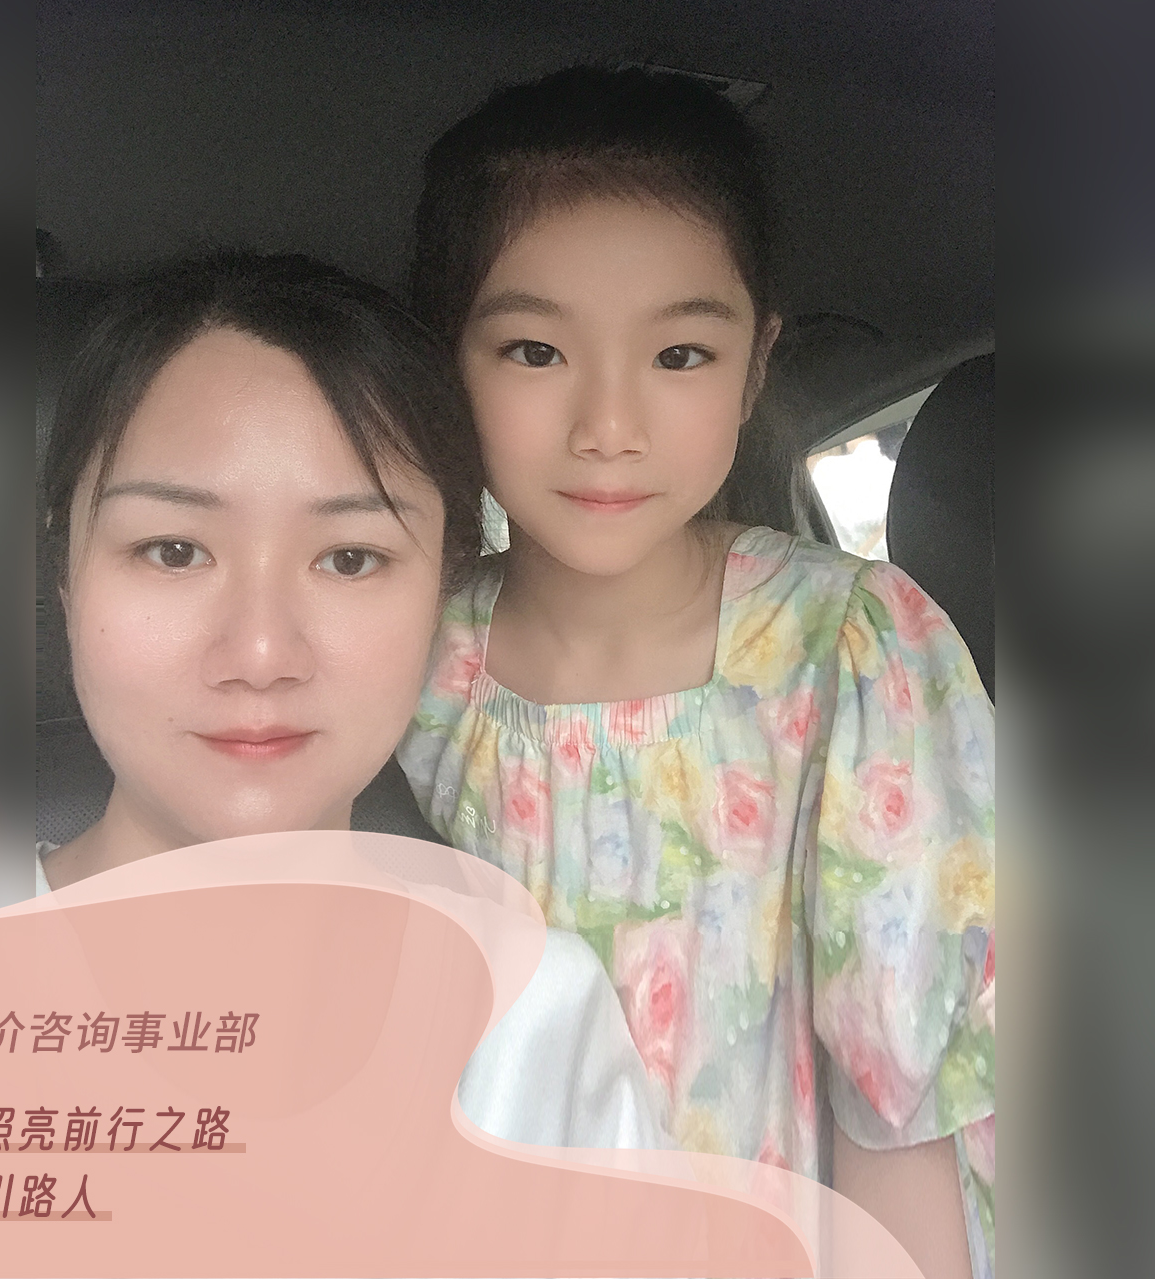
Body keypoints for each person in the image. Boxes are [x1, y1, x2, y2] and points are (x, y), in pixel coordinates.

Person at [399, 67, 995, 1278]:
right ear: (445, 360)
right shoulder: (408, 654)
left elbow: (900, 1109)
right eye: (532, 349)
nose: (607, 426)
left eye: (678, 353)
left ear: (754, 362)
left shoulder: (848, 649)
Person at [38, 251, 668, 1151]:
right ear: (65, 576)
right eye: (174, 551)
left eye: (349, 558)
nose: (261, 654)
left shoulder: (530, 1019)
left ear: (442, 590)